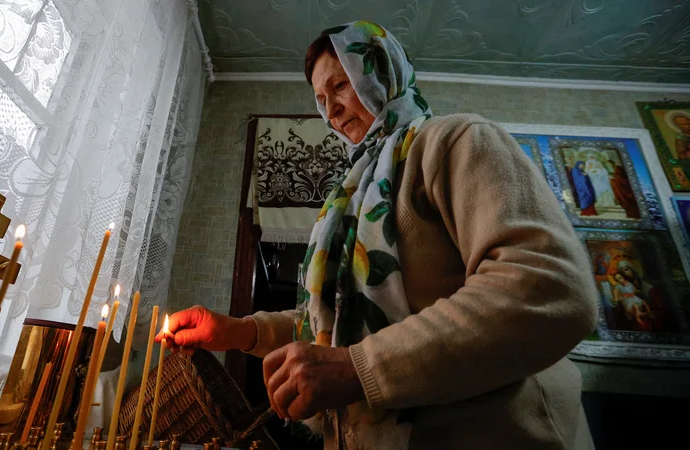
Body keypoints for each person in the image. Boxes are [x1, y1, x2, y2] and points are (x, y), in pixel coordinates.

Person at [160, 21, 597, 449]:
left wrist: (358, 369)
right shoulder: (348, 196)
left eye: (340, 85)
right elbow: (332, 327)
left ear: (382, 72)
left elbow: (547, 287)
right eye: (320, 98)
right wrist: (235, 331)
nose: (329, 110)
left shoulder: (453, 142)